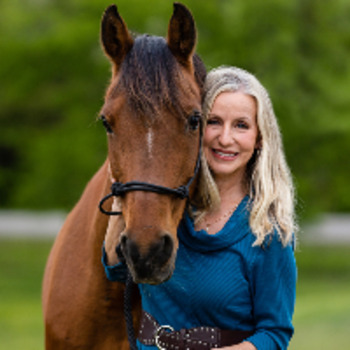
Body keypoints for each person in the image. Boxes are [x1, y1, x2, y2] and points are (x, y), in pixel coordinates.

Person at [102, 66, 297, 350]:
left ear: (259, 139)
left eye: (241, 125)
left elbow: (274, 333)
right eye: (214, 121)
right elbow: (116, 270)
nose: (225, 138)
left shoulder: (267, 231)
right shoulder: (171, 210)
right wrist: (127, 183)